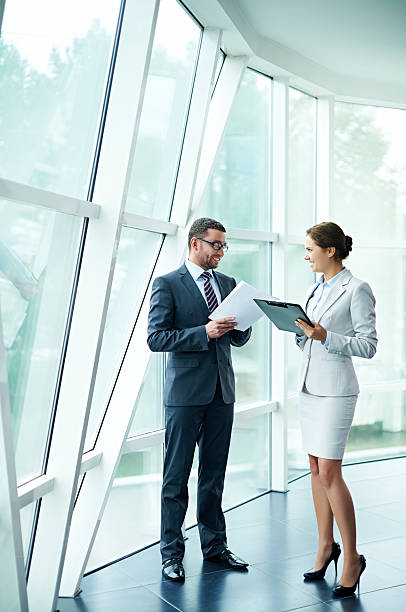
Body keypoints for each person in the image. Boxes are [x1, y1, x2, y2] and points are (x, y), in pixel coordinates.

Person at [147, 217, 252, 582]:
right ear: (196, 243)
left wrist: (242, 325)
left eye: (224, 246)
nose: (221, 252)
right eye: (216, 245)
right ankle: (171, 554)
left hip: (222, 392)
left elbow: (237, 339)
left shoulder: (227, 284)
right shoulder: (167, 285)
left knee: (213, 476)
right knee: (175, 478)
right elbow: (156, 339)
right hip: (185, 397)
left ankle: (215, 547)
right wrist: (203, 332)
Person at [294, 221, 377, 597]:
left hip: (337, 392)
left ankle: (352, 559)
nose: (306, 255)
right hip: (310, 388)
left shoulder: (357, 288)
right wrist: (301, 334)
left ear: (331, 250)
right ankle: (326, 547)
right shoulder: (315, 288)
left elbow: (368, 345)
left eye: (310, 248)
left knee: (330, 473)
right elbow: (310, 340)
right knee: (314, 469)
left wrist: (324, 336)